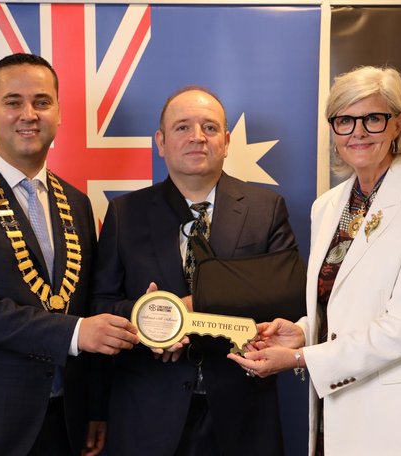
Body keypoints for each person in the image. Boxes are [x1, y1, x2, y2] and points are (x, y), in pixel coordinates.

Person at [229, 66, 401, 455]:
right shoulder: (327, 206)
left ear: (398, 124)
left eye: (373, 118)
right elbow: (344, 303)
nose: (357, 132)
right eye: (344, 120)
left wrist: (300, 357)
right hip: (338, 409)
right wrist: (304, 331)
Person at [0, 53, 140, 456]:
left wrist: (95, 405)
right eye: (13, 102)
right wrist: (75, 333)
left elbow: (86, 303)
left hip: (61, 417)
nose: (28, 115)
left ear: (59, 112)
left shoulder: (77, 202)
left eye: (42, 102)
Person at [92, 86, 299, 455]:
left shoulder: (266, 208)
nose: (197, 137)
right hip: (149, 412)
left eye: (210, 127)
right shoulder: (125, 213)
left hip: (242, 411)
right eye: (182, 127)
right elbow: (100, 305)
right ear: (161, 141)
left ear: (227, 141)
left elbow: (286, 298)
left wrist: (190, 309)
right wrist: (153, 320)